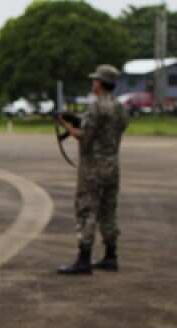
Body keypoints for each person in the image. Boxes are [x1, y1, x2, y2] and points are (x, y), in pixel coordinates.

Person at [57, 65, 130, 274]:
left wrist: (66, 125)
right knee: (109, 209)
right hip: (112, 165)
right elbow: (108, 130)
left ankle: (84, 258)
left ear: (99, 83)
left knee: (87, 209)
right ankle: (110, 255)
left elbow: (85, 136)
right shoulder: (120, 108)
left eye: (94, 80)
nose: (92, 83)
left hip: (93, 167)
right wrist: (79, 120)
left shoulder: (96, 106)